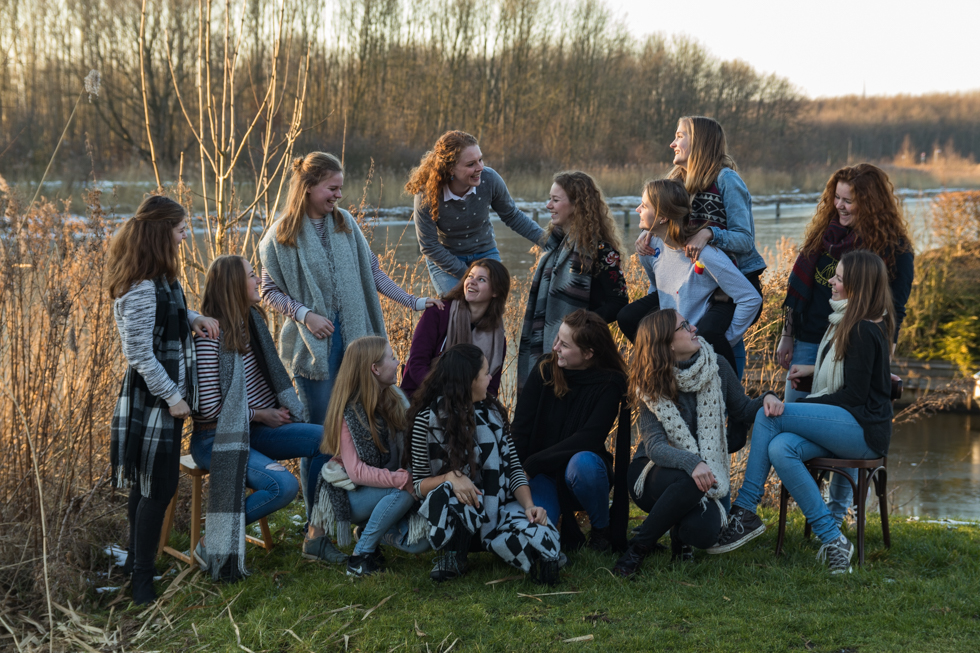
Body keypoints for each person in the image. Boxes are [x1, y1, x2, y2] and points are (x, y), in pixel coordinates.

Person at [709, 251, 896, 575]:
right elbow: (849, 374)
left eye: (838, 277)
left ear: (856, 285)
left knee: (771, 415)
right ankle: (833, 539)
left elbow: (853, 395)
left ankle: (745, 510)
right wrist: (811, 370)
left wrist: (796, 407)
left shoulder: (862, 330)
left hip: (864, 432)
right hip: (846, 427)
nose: (831, 282)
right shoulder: (845, 320)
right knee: (781, 448)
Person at [260, 152, 441, 426]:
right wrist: (305, 315)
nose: (339, 195)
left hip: (357, 341)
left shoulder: (345, 224)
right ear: (308, 187)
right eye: (332, 189)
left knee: (360, 422)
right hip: (314, 346)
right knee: (321, 429)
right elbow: (268, 291)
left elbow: (374, 273)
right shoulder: (280, 235)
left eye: (340, 189)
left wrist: (413, 301)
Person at [775, 163, 913, 523]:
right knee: (795, 426)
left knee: (845, 426)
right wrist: (787, 335)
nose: (840, 206)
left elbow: (893, 310)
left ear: (870, 202)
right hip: (809, 342)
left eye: (849, 200)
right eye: (836, 197)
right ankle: (813, 513)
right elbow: (798, 291)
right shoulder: (824, 234)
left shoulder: (893, 249)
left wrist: (879, 355)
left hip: (855, 346)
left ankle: (836, 517)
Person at [189, 255, 330, 581]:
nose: (258, 281)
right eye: (252, 276)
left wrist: (271, 413)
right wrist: (260, 414)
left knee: (326, 438)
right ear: (234, 286)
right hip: (216, 438)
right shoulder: (211, 337)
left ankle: (316, 533)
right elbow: (207, 409)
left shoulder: (251, 323)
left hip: (255, 430)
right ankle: (211, 541)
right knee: (283, 486)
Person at [612, 309, 782, 578]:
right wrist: (693, 463)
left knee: (704, 533)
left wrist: (767, 399)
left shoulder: (717, 366)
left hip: (700, 476)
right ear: (667, 342)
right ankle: (638, 548)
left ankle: (679, 537)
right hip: (652, 472)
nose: (694, 329)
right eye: (684, 326)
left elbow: (743, 409)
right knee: (691, 480)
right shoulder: (649, 381)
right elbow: (655, 447)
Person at [107, 195, 218, 604]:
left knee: (150, 482)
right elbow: (137, 353)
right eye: (180, 228)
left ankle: (137, 563)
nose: (185, 234)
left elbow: (171, 312)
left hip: (162, 395)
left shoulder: (161, 278)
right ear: (161, 232)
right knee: (159, 485)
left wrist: (196, 318)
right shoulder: (139, 286)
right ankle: (141, 581)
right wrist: (173, 397)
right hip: (153, 397)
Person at [409, 344, 562, 584]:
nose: (490, 378)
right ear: (469, 380)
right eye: (485, 373)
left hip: (497, 511)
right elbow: (418, 486)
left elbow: (514, 469)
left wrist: (530, 505)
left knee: (541, 539)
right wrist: (450, 477)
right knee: (447, 494)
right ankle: (453, 555)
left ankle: (516, 547)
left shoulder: (494, 414)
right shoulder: (426, 421)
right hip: (454, 518)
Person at [622, 116, 767, 353]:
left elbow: (745, 239)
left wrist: (709, 233)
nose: (672, 143)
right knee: (628, 317)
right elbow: (662, 217)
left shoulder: (726, 179)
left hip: (729, 285)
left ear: (699, 143)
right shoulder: (676, 179)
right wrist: (649, 234)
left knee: (708, 336)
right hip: (690, 281)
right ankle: (658, 362)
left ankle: (717, 371)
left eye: (679, 136)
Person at [512, 310, 631, 553]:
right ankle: (558, 519)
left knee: (583, 463)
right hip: (542, 475)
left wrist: (533, 463)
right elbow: (520, 428)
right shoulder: (545, 368)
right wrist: (515, 472)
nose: (555, 347)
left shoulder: (609, 384)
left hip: (581, 474)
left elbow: (589, 438)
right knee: (533, 534)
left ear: (588, 353)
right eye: (557, 339)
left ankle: (601, 531)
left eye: (564, 345)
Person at [309, 336, 430, 576]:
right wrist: (401, 480)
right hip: (349, 495)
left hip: (384, 490)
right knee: (401, 493)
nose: (398, 363)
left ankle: (368, 533)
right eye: (392, 357)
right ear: (374, 368)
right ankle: (360, 556)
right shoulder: (349, 413)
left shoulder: (395, 398)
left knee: (421, 542)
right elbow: (357, 472)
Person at [623, 179, 760, 374]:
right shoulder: (650, 247)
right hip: (675, 349)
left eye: (644, 206)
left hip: (701, 350)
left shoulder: (703, 254)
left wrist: (723, 340)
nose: (637, 209)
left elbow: (750, 298)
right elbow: (656, 289)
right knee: (626, 317)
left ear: (662, 217)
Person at [517, 171, 628, 390]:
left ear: (577, 205)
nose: (548, 205)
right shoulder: (554, 247)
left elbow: (618, 302)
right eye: (550, 199)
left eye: (555, 200)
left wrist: (578, 330)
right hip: (549, 352)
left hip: (581, 357)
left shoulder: (601, 250)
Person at [406, 130, 545, 295]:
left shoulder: (490, 179)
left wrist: (552, 242)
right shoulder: (427, 194)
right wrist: (468, 275)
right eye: (470, 164)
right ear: (450, 169)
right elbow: (429, 246)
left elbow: (513, 216)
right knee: (456, 309)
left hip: (485, 251)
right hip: (446, 259)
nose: (480, 167)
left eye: (480, 159)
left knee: (492, 305)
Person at [401, 259, 510, 398]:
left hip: (469, 406)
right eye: (470, 276)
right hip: (423, 396)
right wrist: (445, 396)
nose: (471, 282)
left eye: (481, 279)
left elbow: (492, 388)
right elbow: (417, 364)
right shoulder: (438, 313)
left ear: (496, 291)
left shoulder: (498, 339)